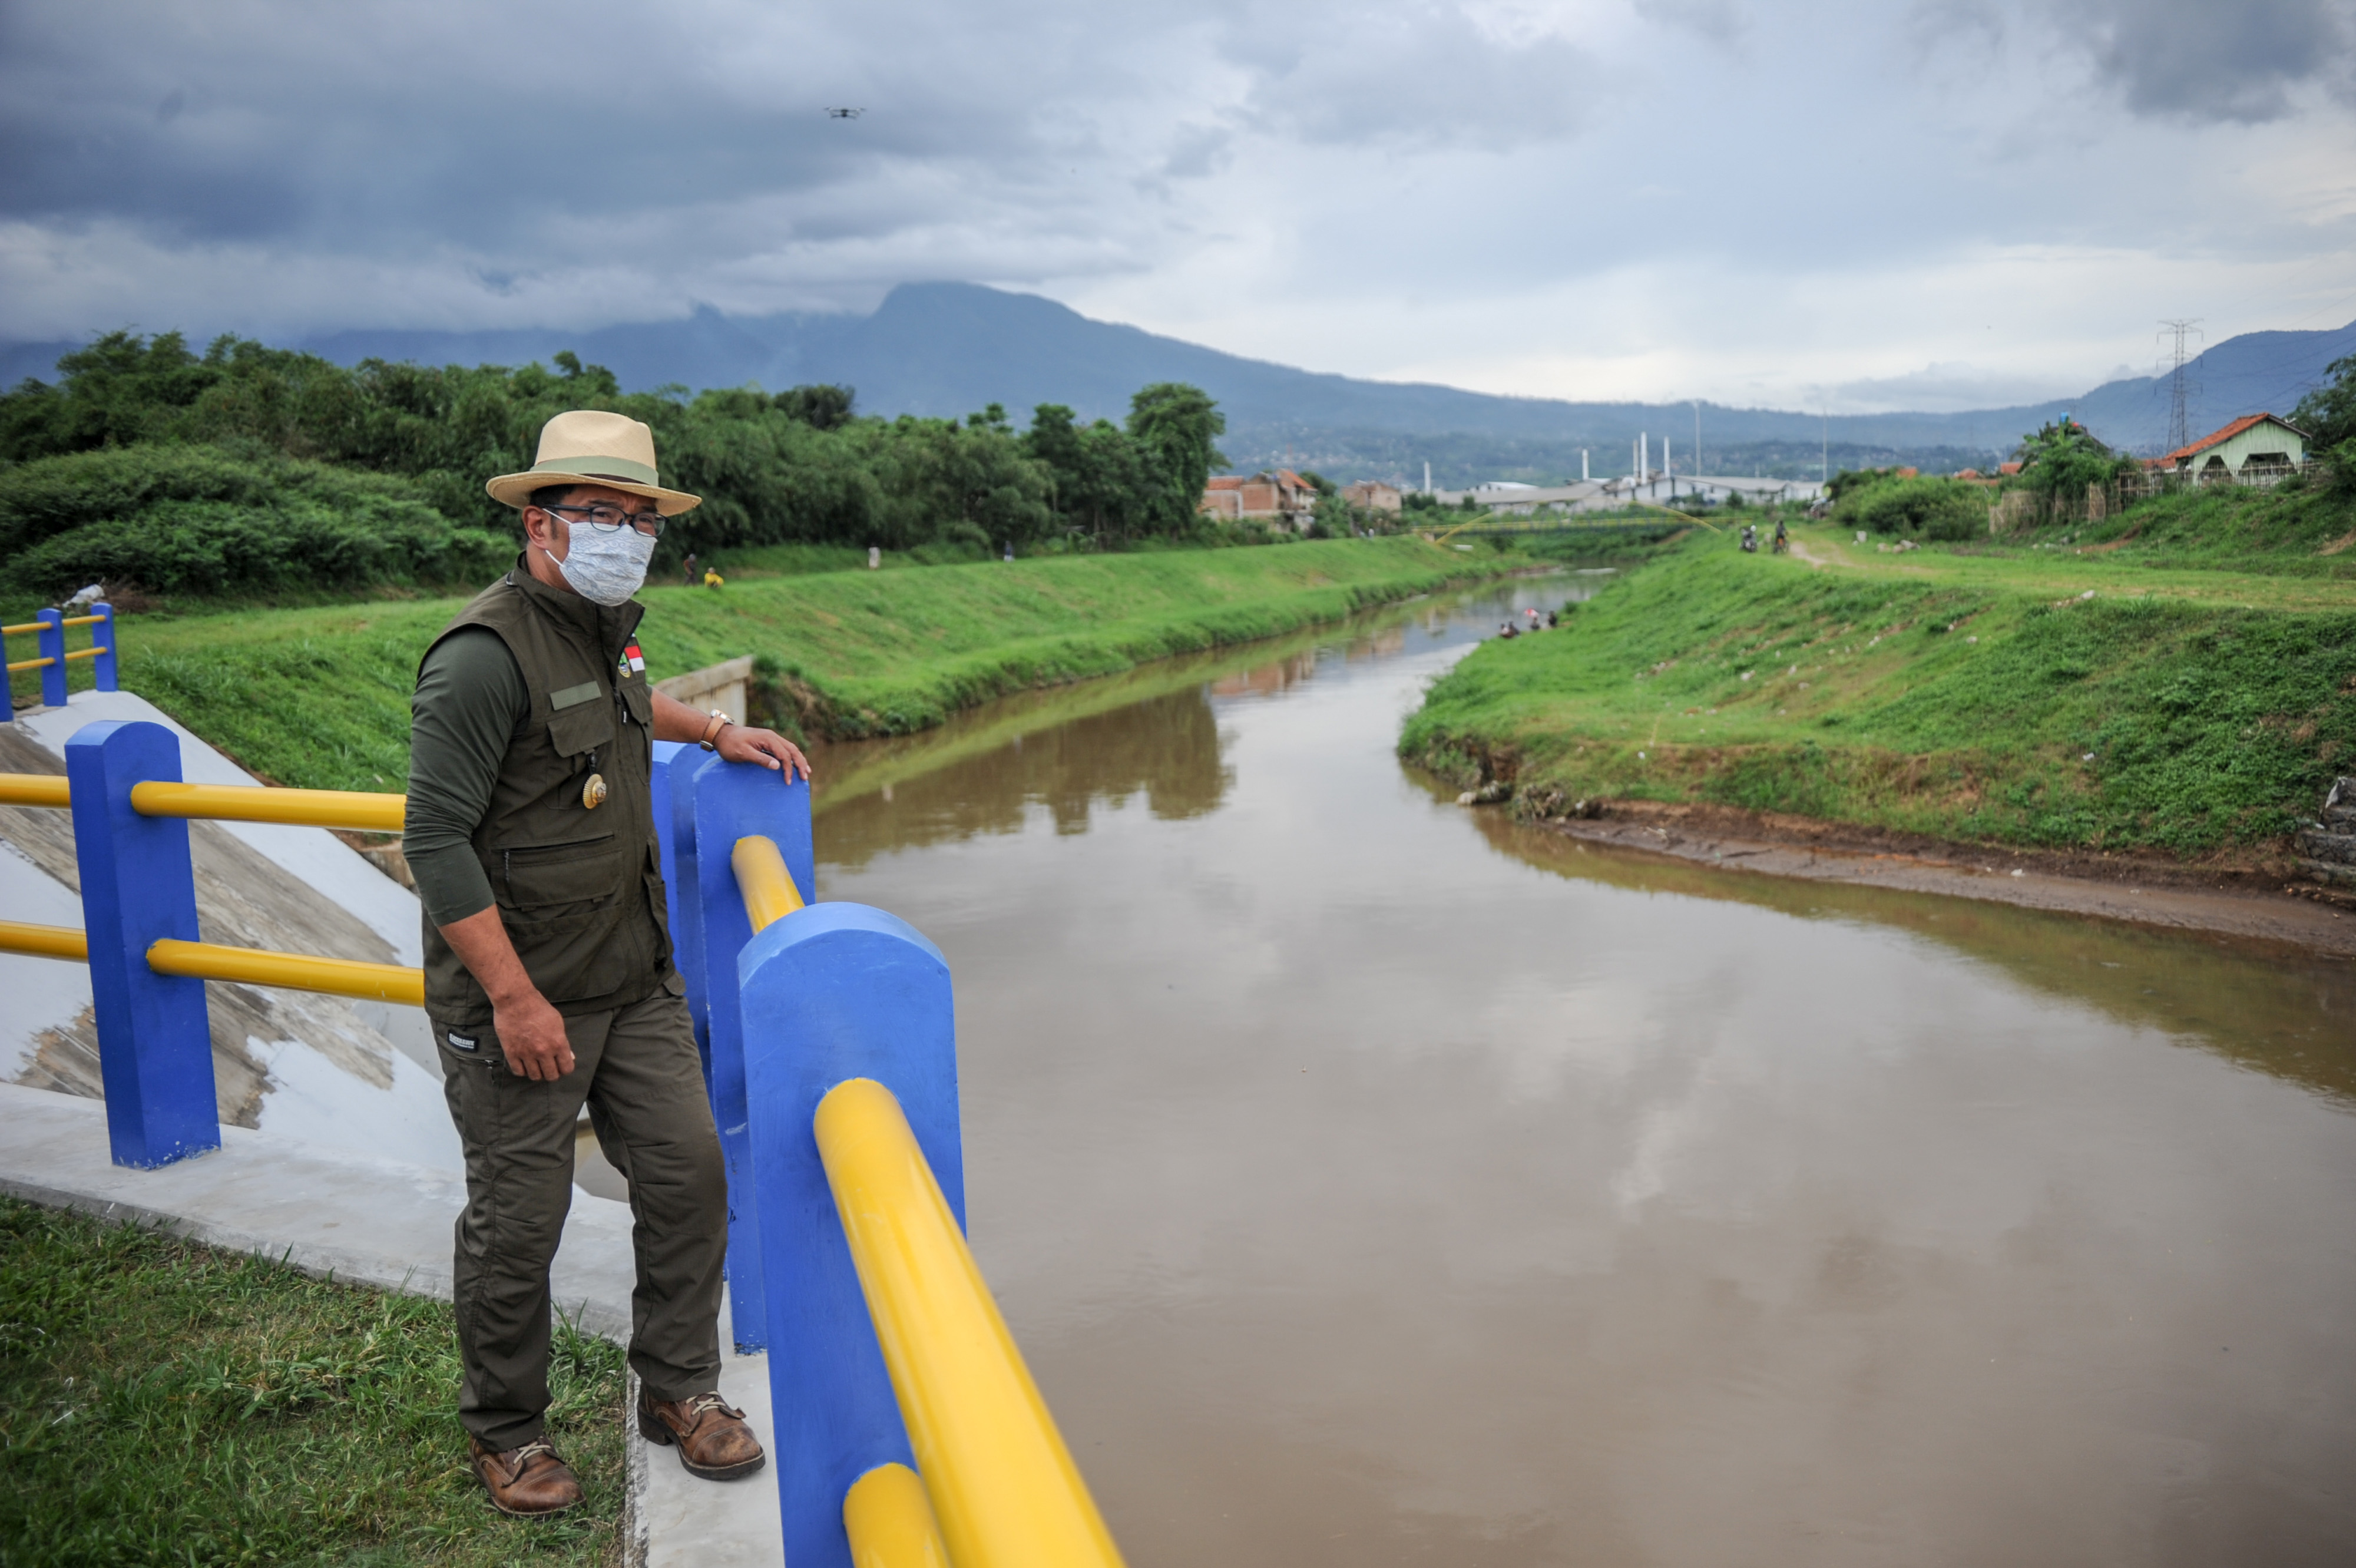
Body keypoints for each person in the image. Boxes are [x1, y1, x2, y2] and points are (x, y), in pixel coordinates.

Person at [403, 411, 813, 1517]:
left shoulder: (608, 627)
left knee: (689, 1176)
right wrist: (513, 995)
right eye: (601, 515)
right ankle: (508, 1431)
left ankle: (677, 1389)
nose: (626, 535)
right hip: (523, 1001)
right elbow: (432, 840)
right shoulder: (481, 656)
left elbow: (627, 709)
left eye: (640, 518)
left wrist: (717, 732)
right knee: (519, 1222)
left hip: (634, 980)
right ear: (542, 524)